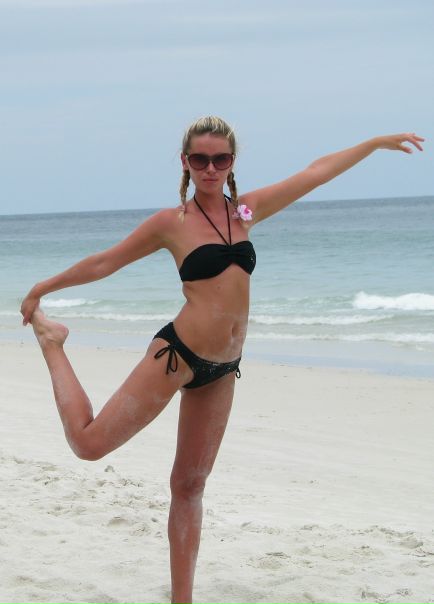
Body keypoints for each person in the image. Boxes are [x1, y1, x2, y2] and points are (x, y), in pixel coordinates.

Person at [20, 116, 424, 604]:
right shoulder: (172, 223)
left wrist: (374, 143)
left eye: (220, 159)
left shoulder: (246, 212)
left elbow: (315, 174)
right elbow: (107, 261)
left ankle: (182, 599)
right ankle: (53, 343)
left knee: (190, 484)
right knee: (89, 446)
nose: (210, 168)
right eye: (200, 159)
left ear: (232, 162)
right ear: (185, 163)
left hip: (223, 369)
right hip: (177, 355)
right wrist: (44, 287)